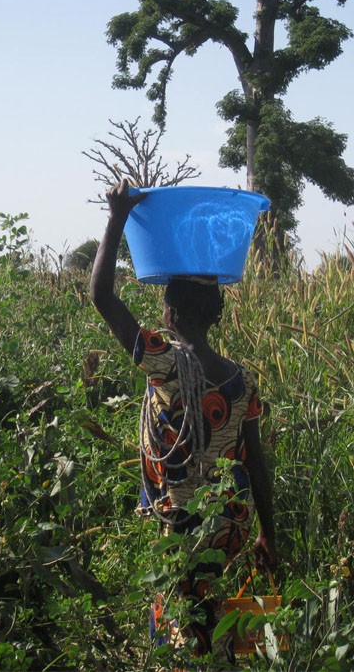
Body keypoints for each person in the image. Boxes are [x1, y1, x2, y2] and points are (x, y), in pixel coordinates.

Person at [90, 180, 277, 662]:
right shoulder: (242, 382)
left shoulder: (162, 362)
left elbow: (103, 297)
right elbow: (257, 465)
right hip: (229, 523)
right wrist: (266, 535)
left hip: (181, 526)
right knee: (219, 616)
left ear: (169, 313)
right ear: (214, 314)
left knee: (178, 627)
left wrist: (116, 219)